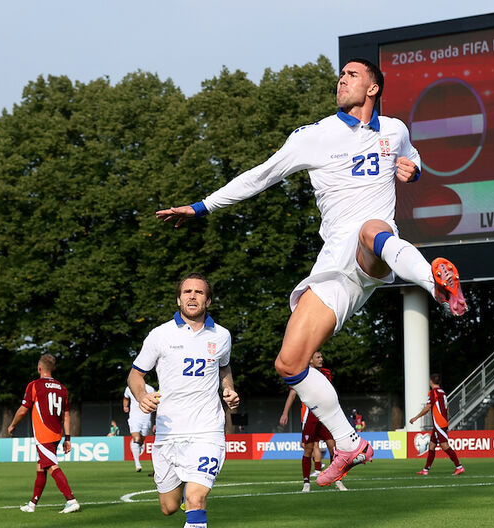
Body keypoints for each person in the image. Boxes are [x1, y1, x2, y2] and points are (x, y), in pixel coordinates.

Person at [156, 58, 467, 488]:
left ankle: (437, 283)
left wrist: (414, 172)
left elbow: (413, 162)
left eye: (352, 75)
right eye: (340, 76)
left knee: (372, 228)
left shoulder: (395, 130)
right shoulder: (314, 136)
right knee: (289, 363)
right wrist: (202, 205)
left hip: (374, 250)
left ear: (373, 88)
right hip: (333, 268)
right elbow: (259, 176)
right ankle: (348, 443)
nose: (342, 80)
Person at [127, 273, 240, 528]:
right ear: (178, 299)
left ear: (208, 300)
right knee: (169, 507)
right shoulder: (160, 336)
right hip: (168, 436)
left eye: (199, 292)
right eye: (187, 292)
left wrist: (229, 389)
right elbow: (137, 374)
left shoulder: (221, 336)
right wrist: (140, 396)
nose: (192, 296)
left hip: (207, 432)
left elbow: (224, 368)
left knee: (196, 499)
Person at [7, 354, 80, 514]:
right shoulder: (62, 388)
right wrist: (67, 438)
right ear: (52, 369)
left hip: (44, 434)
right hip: (57, 434)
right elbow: (66, 416)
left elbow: (23, 410)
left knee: (52, 466)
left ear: (39, 368)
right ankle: (32, 504)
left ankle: (71, 500)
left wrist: (12, 424)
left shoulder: (34, 385)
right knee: (41, 467)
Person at [278, 351, 346, 493]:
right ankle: (306, 483)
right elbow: (292, 393)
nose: (322, 359)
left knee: (333, 448)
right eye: (318, 357)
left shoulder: (327, 373)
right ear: (309, 361)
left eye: (322, 356)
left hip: (326, 416)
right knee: (308, 449)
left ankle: (338, 480)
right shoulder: (302, 374)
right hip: (312, 416)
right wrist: (285, 413)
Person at [409, 373, 464, 476]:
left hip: (439, 423)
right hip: (440, 423)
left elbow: (428, 407)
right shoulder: (442, 392)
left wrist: (415, 418)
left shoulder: (433, 392)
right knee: (431, 446)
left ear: (431, 381)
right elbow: (445, 408)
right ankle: (425, 470)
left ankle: (459, 466)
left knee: (444, 446)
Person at [123, 381, 156, 472]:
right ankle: (137, 464)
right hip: (134, 418)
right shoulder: (129, 388)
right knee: (136, 438)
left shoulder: (149, 389)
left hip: (146, 418)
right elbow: (126, 398)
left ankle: (138, 446)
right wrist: (125, 406)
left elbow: (156, 401)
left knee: (141, 440)